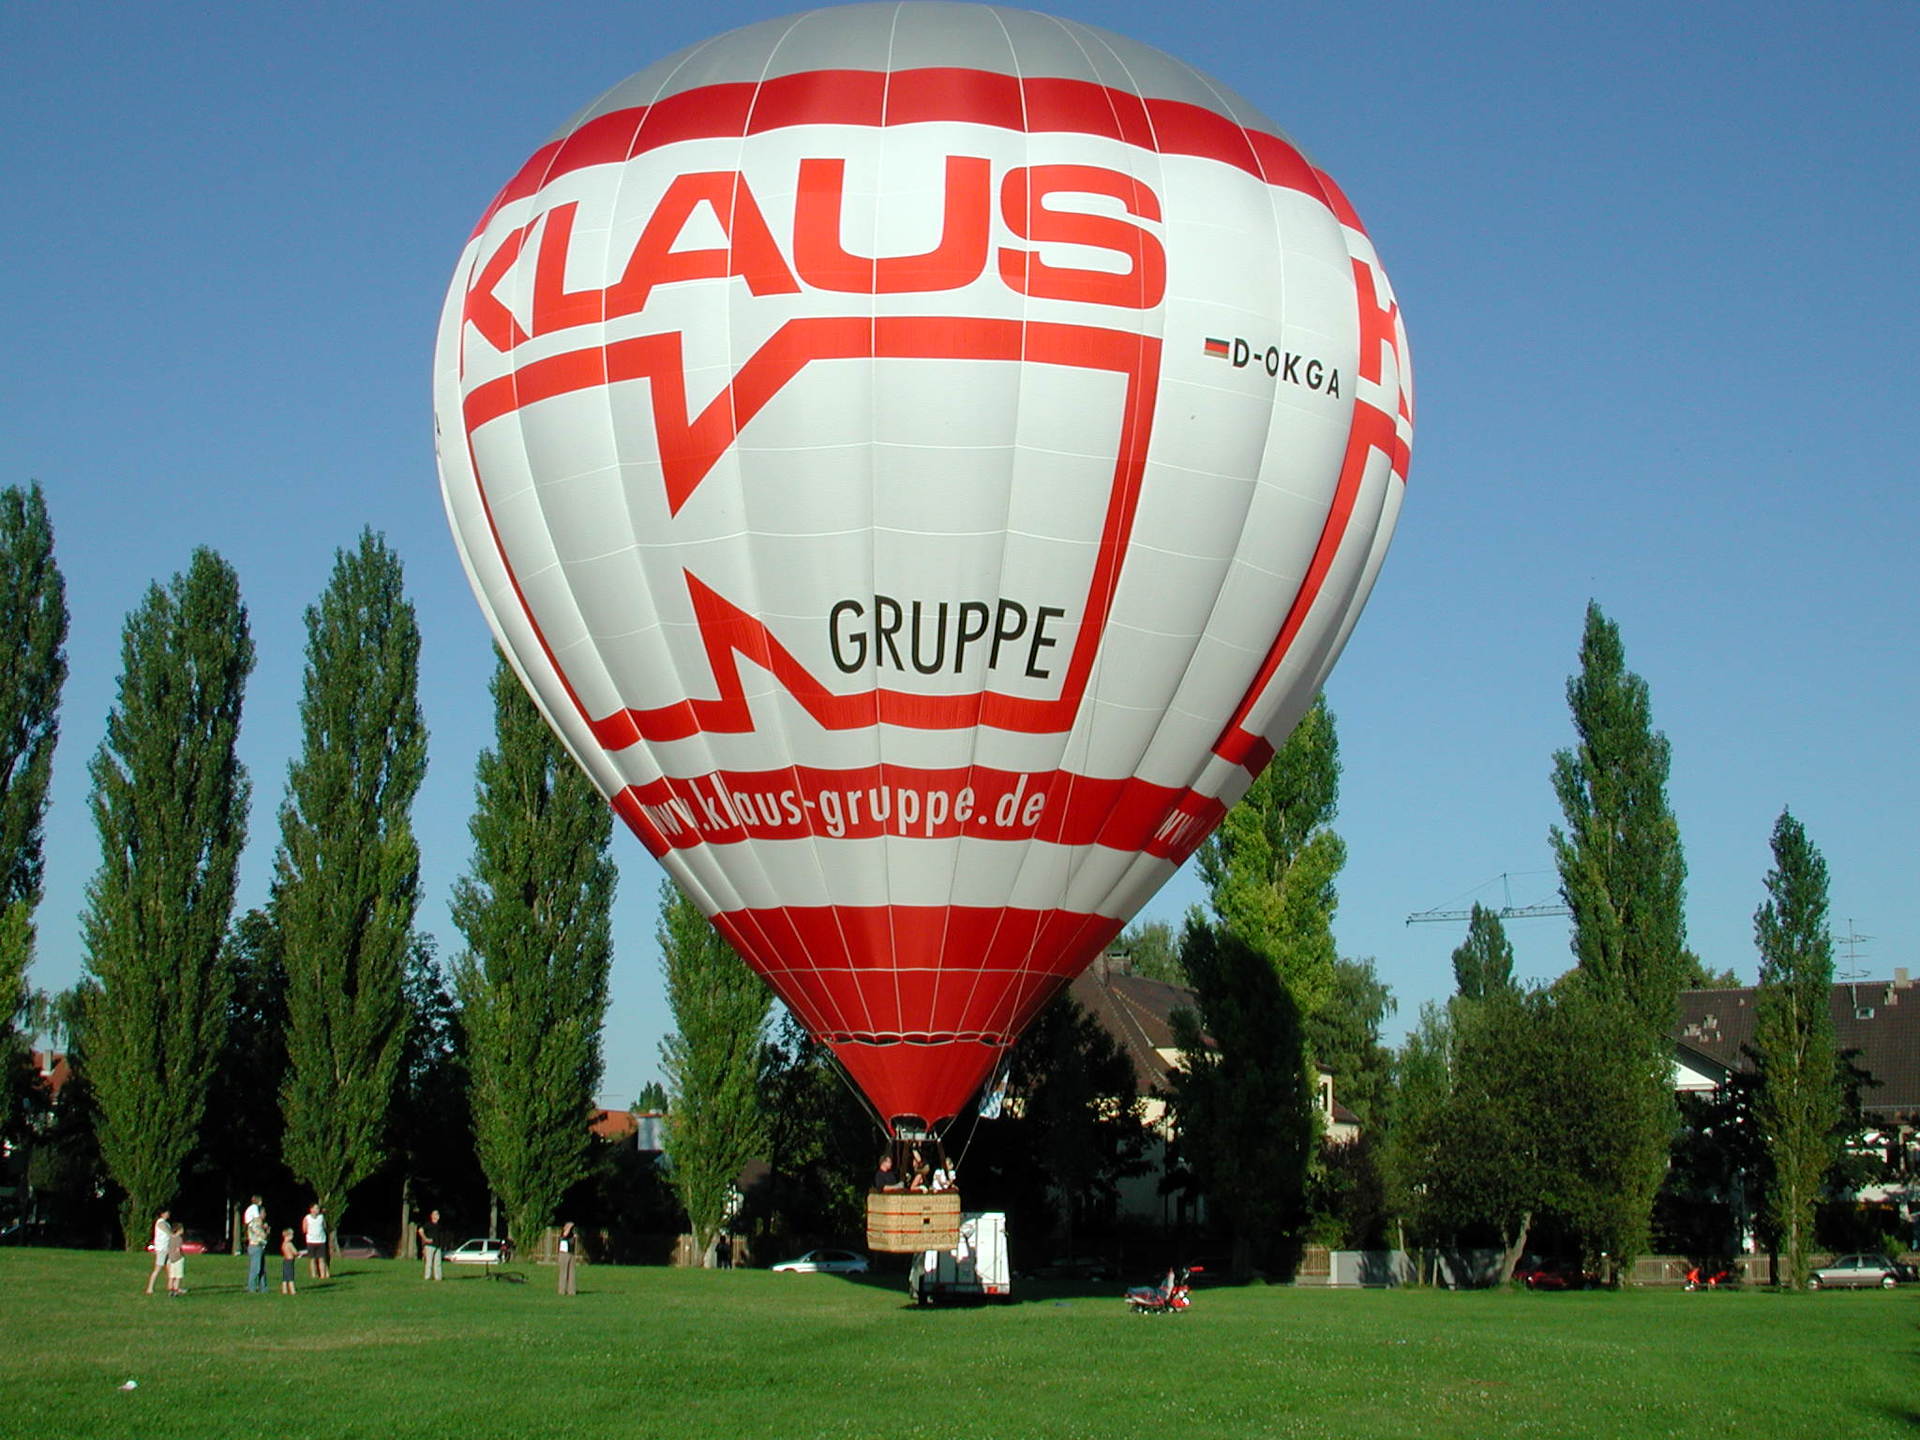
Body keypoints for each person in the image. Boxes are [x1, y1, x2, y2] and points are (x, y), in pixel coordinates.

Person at [144, 1208, 172, 1295]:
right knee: (158, 1269)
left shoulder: (166, 1223)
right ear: (162, 1214)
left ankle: (171, 1287)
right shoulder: (160, 1223)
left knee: (170, 1269)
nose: (168, 1214)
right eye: (166, 1212)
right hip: (162, 1249)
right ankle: (149, 1288)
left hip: (168, 1248)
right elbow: (169, 1233)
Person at [245, 1200, 270, 1293]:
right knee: (255, 1268)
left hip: (261, 1247)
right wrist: (265, 1230)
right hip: (255, 1246)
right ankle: (251, 1287)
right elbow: (261, 1235)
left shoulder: (261, 1223)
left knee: (262, 1269)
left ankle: (263, 1287)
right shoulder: (255, 1223)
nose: (265, 1214)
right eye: (263, 1212)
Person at [302, 1203, 330, 1280]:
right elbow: (304, 1229)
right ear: (311, 1209)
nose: (316, 1210)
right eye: (315, 1208)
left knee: (322, 1259)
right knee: (312, 1259)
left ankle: (323, 1275)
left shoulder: (321, 1217)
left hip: (321, 1241)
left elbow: (324, 1227)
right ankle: (314, 1275)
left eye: (317, 1208)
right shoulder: (307, 1218)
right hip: (311, 1241)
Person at [417, 1209, 446, 1281]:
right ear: (432, 1216)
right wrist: (425, 1239)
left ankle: (438, 1278)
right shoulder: (428, 1224)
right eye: (435, 1214)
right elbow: (420, 1230)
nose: (437, 1216)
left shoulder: (439, 1226)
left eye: (438, 1214)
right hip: (430, 1246)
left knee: (438, 1263)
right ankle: (427, 1277)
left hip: (438, 1246)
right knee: (429, 1263)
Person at [556, 1220, 579, 1296]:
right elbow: (565, 1235)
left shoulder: (572, 1234)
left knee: (572, 1273)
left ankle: (571, 1291)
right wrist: (568, 1227)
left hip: (571, 1253)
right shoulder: (563, 1234)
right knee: (563, 1273)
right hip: (564, 1254)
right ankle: (562, 1290)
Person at [164, 1220, 187, 1297]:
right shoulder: (179, 1238)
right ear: (179, 1230)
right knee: (178, 1276)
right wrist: (181, 1256)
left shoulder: (170, 1238)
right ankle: (176, 1291)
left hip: (171, 1259)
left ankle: (170, 1290)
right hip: (178, 1259)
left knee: (171, 1276)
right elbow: (178, 1249)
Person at [279, 1229, 299, 1295]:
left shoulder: (283, 1244)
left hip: (285, 1260)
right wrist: (298, 1253)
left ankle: (284, 1290)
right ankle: (292, 1290)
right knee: (290, 1275)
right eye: (291, 1235)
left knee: (285, 1276)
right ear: (288, 1236)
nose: (292, 1236)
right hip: (290, 1261)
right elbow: (295, 1252)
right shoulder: (289, 1244)